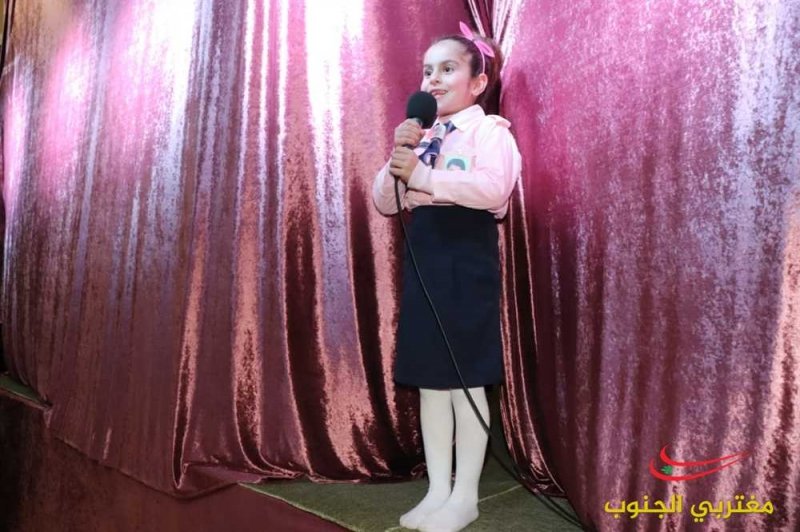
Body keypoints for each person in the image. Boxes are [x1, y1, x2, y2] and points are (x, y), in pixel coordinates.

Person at [372, 21, 521, 532]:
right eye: (427, 70)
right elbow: (385, 202)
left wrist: (425, 177)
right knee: (431, 383)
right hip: (426, 262)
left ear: (477, 83)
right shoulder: (423, 135)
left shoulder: (490, 132)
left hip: (465, 261)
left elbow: (494, 190)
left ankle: (465, 496)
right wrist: (401, 154)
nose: (433, 79)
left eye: (448, 69)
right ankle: (438, 490)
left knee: (464, 382)